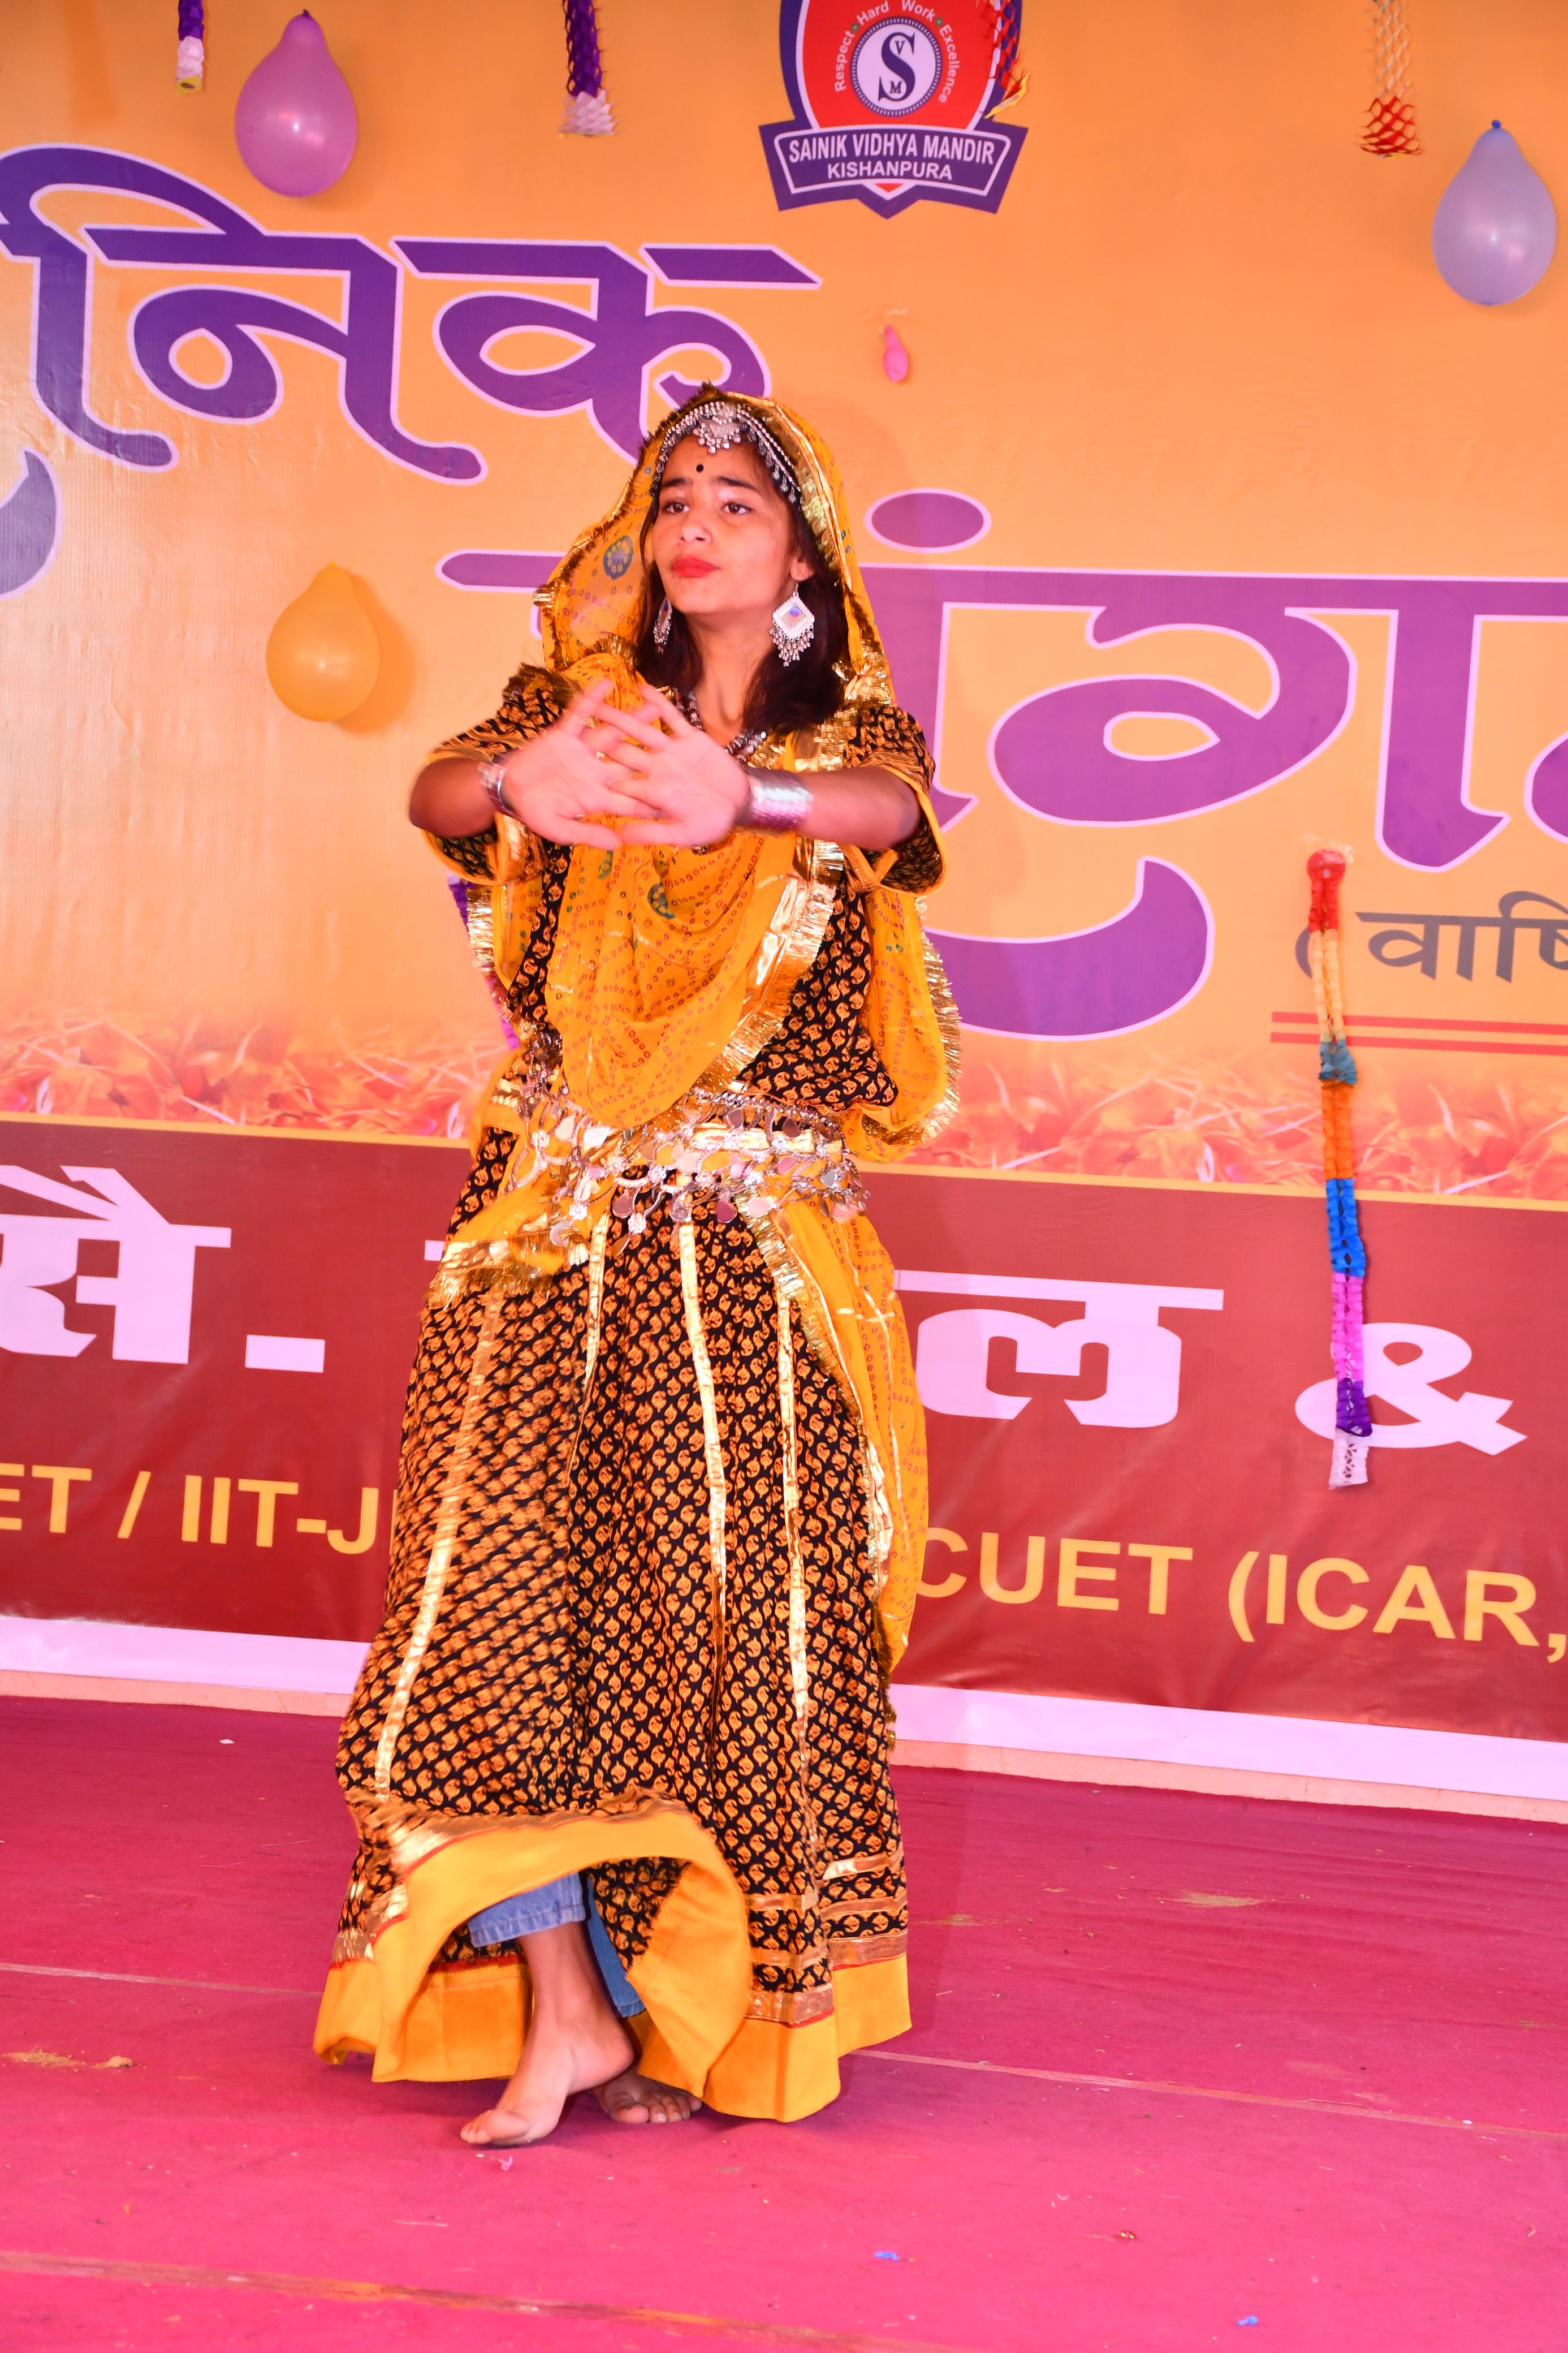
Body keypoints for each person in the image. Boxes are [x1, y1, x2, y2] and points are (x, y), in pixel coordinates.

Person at [313, 389, 958, 2144]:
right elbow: (441, 791)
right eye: (676, 494)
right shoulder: (579, 710)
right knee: (491, 1621)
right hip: (550, 1238)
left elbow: (895, 813)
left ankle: (700, 2011)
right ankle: (562, 2006)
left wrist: (743, 798)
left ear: (804, 555)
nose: (696, 522)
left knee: (732, 1645)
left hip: (747, 1272)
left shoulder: (845, 735)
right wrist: (509, 786)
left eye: (739, 500)